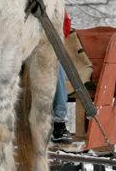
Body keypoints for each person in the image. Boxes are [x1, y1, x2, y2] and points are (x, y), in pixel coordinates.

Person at [51, 10, 73, 144]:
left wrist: (53, 39)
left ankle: (59, 123)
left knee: (57, 67)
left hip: (45, 45)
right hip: (16, 46)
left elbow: (65, 22)